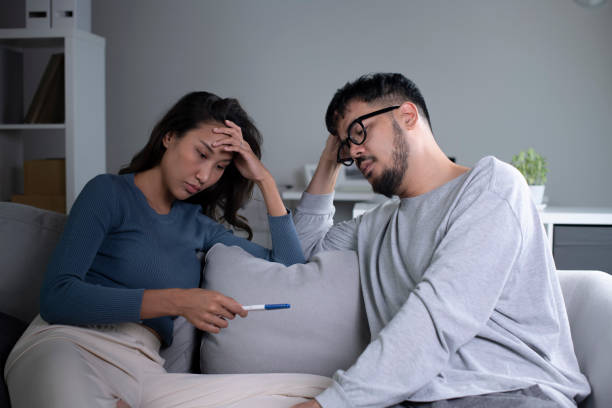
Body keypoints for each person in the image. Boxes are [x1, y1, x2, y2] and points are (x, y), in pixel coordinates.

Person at [4, 91, 331, 408]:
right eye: (201, 154)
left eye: (220, 167)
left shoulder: (198, 226)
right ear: (170, 137)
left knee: (324, 390)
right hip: (70, 345)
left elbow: (290, 268)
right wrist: (178, 300)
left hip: (145, 370)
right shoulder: (109, 193)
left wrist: (265, 180)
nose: (205, 176)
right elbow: (57, 297)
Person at [290, 73, 590, 408]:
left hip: (510, 393)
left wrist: (332, 403)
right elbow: (303, 252)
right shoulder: (378, 223)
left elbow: (440, 314)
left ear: (407, 115)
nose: (355, 152)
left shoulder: (491, 186)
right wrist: (331, 158)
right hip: (413, 397)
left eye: (360, 131)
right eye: (347, 145)